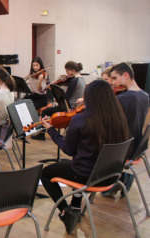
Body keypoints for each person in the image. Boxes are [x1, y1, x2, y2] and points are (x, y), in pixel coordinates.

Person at [40, 80, 129, 234]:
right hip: (111, 175)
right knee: (78, 161)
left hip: (87, 176)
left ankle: (65, 212)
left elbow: (68, 149)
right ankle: (75, 207)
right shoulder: (118, 117)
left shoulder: (80, 119)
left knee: (46, 173)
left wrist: (52, 130)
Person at [102, 62, 149, 196]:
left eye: (115, 78)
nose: (114, 82)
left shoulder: (123, 99)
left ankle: (112, 180)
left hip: (122, 150)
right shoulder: (145, 95)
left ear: (126, 75)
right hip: (135, 147)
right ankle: (122, 176)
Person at [32, 61, 85, 141]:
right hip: (76, 107)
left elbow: (66, 97)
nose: (67, 73)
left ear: (73, 70)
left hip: (68, 107)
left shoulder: (73, 81)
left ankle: (42, 134)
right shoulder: (82, 78)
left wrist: (53, 90)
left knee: (45, 112)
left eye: (67, 71)